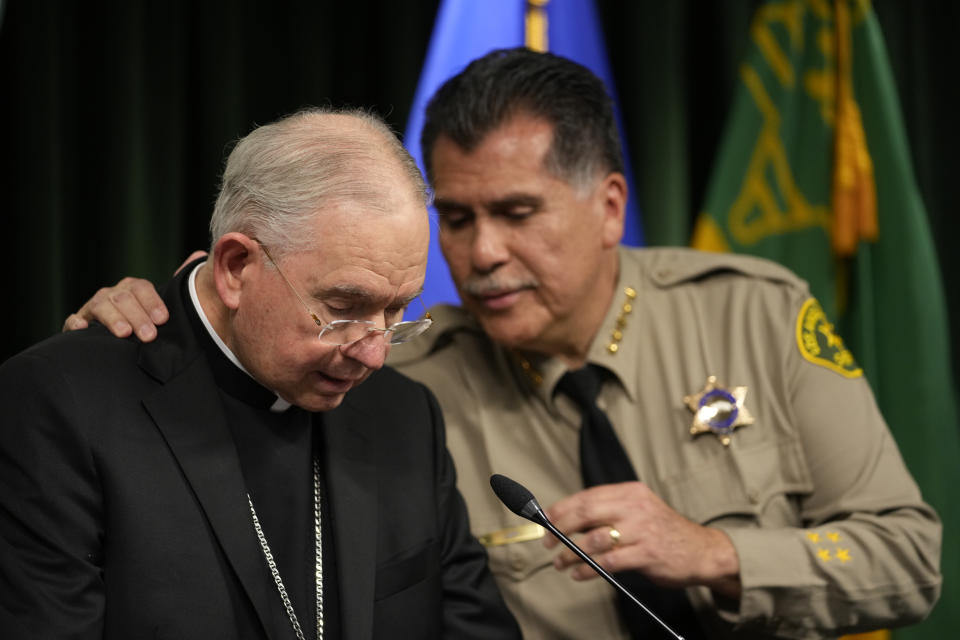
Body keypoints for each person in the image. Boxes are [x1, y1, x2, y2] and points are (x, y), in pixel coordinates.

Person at [64, 49, 942, 639]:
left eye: (517, 214)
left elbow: (912, 557)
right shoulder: (393, 370)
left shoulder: (752, 313)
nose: (480, 255)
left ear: (607, 206)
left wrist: (715, 554)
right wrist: (155, 316)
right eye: (456, 218)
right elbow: (250, 340)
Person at [0, 108, 522, 639]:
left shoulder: (405, 413)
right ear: (235, 268)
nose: (374, 356)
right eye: (344, 307)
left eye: (396, 312)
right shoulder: (61, 406)